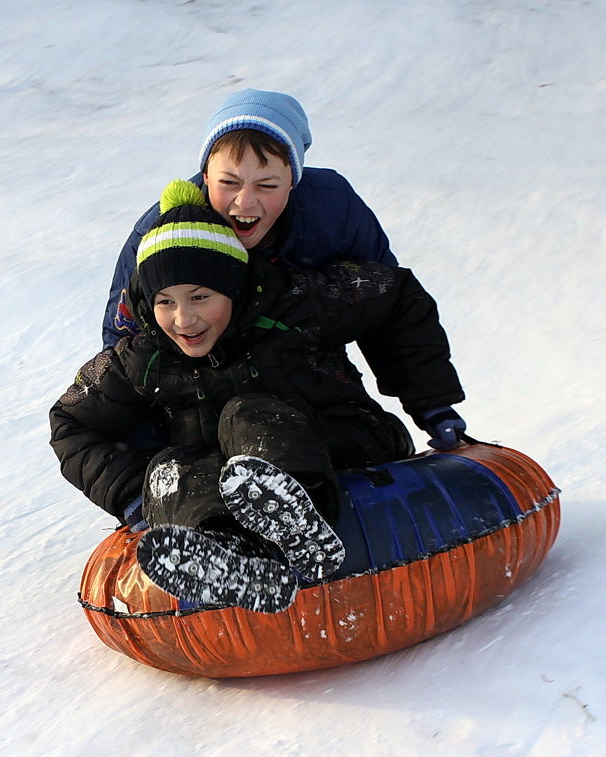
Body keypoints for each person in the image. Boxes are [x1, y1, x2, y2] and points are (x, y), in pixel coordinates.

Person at [53, 180, 466, 613]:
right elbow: (70, 419)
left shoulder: (295, 302)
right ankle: (232, 557)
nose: (183, 318)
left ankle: (299, 523)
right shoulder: (144, 356)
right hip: (233, 482)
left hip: (344, 439)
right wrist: (134, 497)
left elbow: (396, 294)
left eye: (199, 297)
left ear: (233, 287)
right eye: (165, 301)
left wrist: (432, 404)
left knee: (246, 412)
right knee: (172, 466)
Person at [100, 88, 397, 349]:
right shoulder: (165, 234)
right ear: (205, 175)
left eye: (266, 186)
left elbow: (388, 305)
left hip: (309, 375)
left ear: (294, 182)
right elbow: (123, 347)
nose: (244, 201)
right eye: (228, 183)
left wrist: (432, 409)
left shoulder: (333, 212)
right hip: (198, 385)